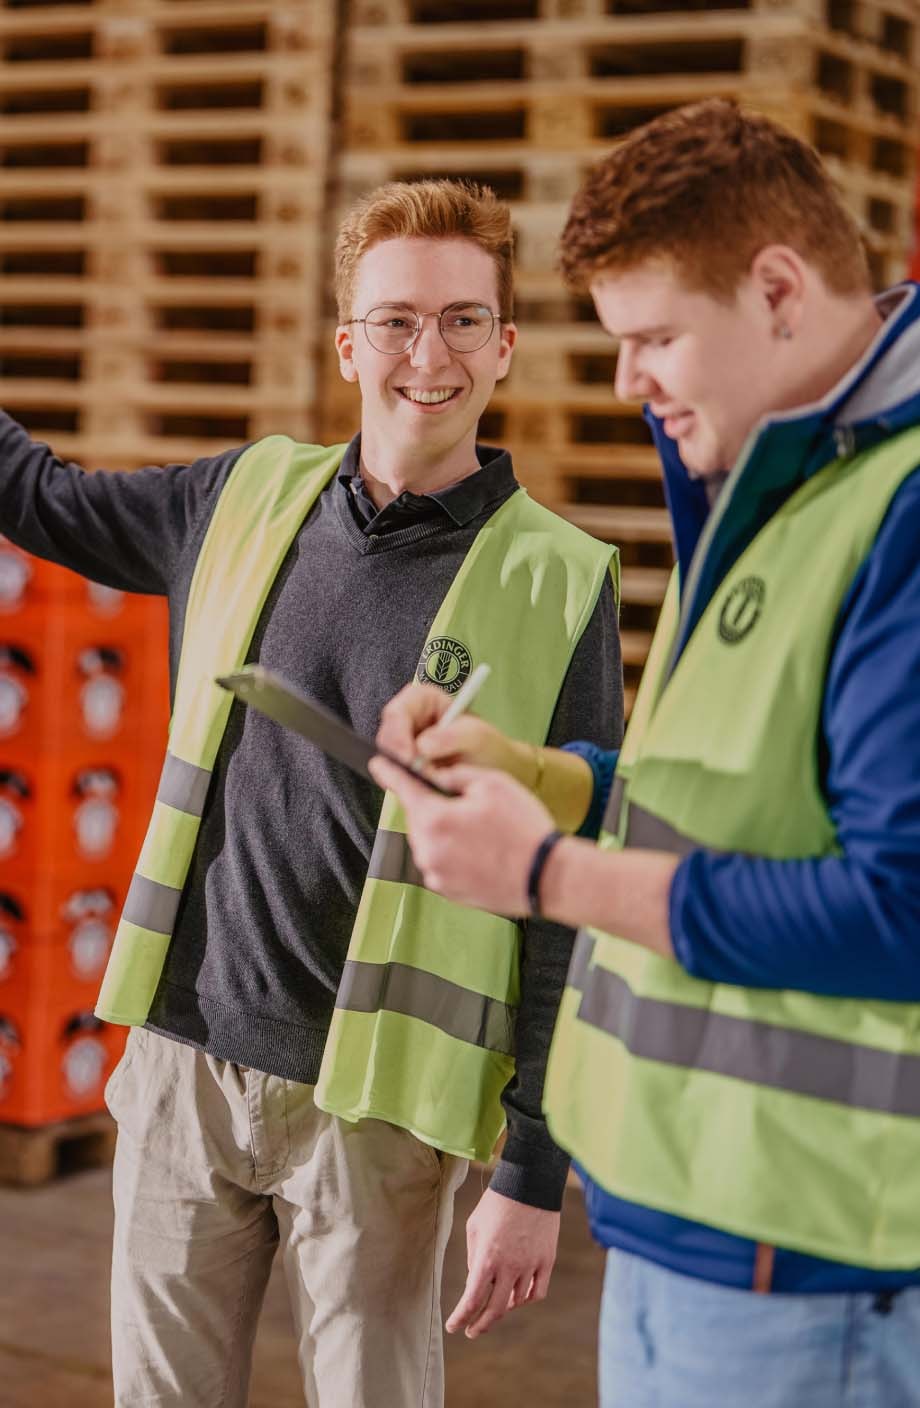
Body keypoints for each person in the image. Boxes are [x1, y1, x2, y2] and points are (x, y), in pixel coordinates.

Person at [0, 180, 622, 1406]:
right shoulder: (239, 499)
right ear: (346, 344)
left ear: (504, 344)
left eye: (460, 320)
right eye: (394, 321)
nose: (426, 354)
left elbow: (568, 891)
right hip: (182, 1066)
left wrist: (532, 1169)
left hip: (379, 1110)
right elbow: (38, 493)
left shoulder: (558, 580)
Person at [370, 101, 920, 1408]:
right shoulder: (779, 485)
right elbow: (730, 805)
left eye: (655, 338)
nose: (629, 382)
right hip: (682, 1226)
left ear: (776, 291)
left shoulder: (896, 514)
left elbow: (899, 911)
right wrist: (540, 777)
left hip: (808, 1262)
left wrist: (546, 875)